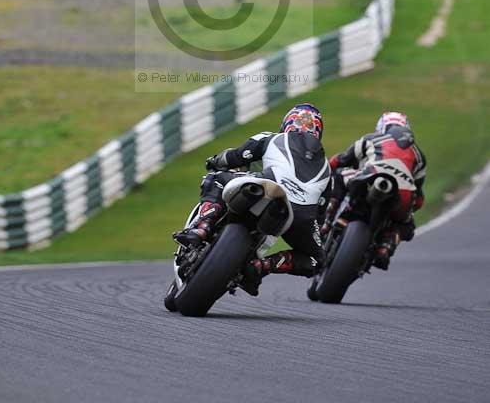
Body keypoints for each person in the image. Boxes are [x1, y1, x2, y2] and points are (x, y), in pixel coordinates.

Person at [174, 103, 331, 295]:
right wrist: (309, 228)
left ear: (286, 124)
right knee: (316, 260)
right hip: (300, 214)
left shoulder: (270, 137)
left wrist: (214, 161)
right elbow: (321, 214)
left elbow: (234, 157)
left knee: (215, 178)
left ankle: (202, 227)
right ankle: (262, 266)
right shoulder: (327, 168)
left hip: (265, 185)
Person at [323, 111, 426, 270]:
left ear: (381, 127)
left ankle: (327, 220)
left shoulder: (372, 138)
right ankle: (386, 247)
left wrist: (327, 168)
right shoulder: (419, 156)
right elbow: (418, 199)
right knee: (407, 224)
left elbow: (341, 159)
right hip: (403, 196)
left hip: (369, 178)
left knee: (338, 177)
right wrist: (411, 208)